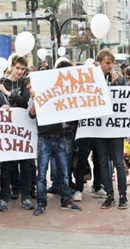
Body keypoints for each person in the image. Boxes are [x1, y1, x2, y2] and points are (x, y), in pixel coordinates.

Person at [28, 61, 82, 216]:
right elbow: (31, 114)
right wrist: (35, 99)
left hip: (59, 137)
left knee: (64, 173)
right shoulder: (40, 91)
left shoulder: (62, 91)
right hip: (44, 138)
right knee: (41, 174)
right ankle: (41, 203)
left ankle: (66, 201)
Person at [0, 56, 34, 211]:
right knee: (7, 166)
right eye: (17, 68)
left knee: (25, 165)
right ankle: (4, 197)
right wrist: (0, 107)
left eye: (22, 69)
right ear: (12, 66)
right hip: (6, 131)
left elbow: (25, 102)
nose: (19, 71)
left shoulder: (25, 83)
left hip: (24, 129)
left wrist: (8, 93)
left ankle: (25, 197)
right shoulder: (1, 82)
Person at [94, 48, 128, 209]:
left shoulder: (119, 77)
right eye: (107, 63)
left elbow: (127, 97)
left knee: (118, 161)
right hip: (100, 127)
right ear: (99, 63)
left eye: (112, 63)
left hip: (115, 127)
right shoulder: (92, 79)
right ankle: (109, 194)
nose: (110, 66)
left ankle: (122, 195)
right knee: (102, 162)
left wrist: (118, 83)